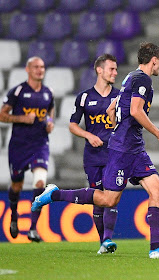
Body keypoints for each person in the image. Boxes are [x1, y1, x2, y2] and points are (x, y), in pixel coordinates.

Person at [32, 42, 159, 259]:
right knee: (108, 200)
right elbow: (135, 110)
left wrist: (117, 123)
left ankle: (156, 247)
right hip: (123, 149)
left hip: (134, 147)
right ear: (154, 60)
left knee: (158, 191)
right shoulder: (142, 79)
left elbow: (112, 108)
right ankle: (54, 194)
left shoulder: (130, 77)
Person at [0, 56, 55, 242]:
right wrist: (22, 118)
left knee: (40, 182)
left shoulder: (48, 93)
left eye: (42, 67)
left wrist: (50, 124)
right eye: (36, 67)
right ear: (28, 69)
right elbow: (2, 115)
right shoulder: (18, 91)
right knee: (17, 185)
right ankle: (14, 215)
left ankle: (33, 228)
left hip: (40, 144)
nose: (40, 70)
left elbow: (50, 114)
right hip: (19, 146)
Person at [69, 54, 120, 253]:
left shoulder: (119, 96)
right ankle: (103, 243)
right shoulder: (84, 97)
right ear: (99, 70)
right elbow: (73, 125)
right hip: (92, 157)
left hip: (114, 155)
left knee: (111, 196)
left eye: (116, 69)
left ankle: (108, 239)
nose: (115, 72)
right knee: (98, 201)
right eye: (111, 69)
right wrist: (88, 135)